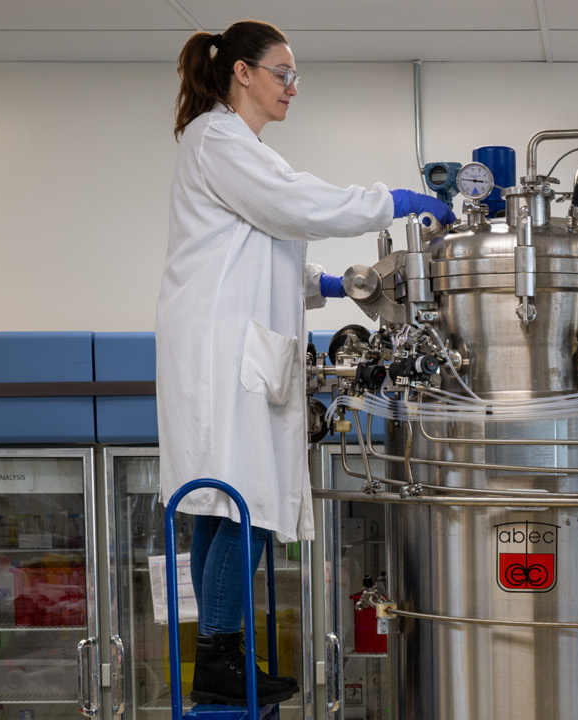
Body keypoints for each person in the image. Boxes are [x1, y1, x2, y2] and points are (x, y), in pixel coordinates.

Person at [157, 20, 454, 707]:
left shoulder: (236, 148)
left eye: (296, 76)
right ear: (242, 73)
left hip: (228, 346)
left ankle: (221, 655)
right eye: (283, 73)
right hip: (222, 354)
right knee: (246, 504)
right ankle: (219, 656)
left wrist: (328, 284)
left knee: (222, 504)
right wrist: (394, 201)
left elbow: (255, 246)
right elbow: (298, 205)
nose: (292, 87)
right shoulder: (220, 140)